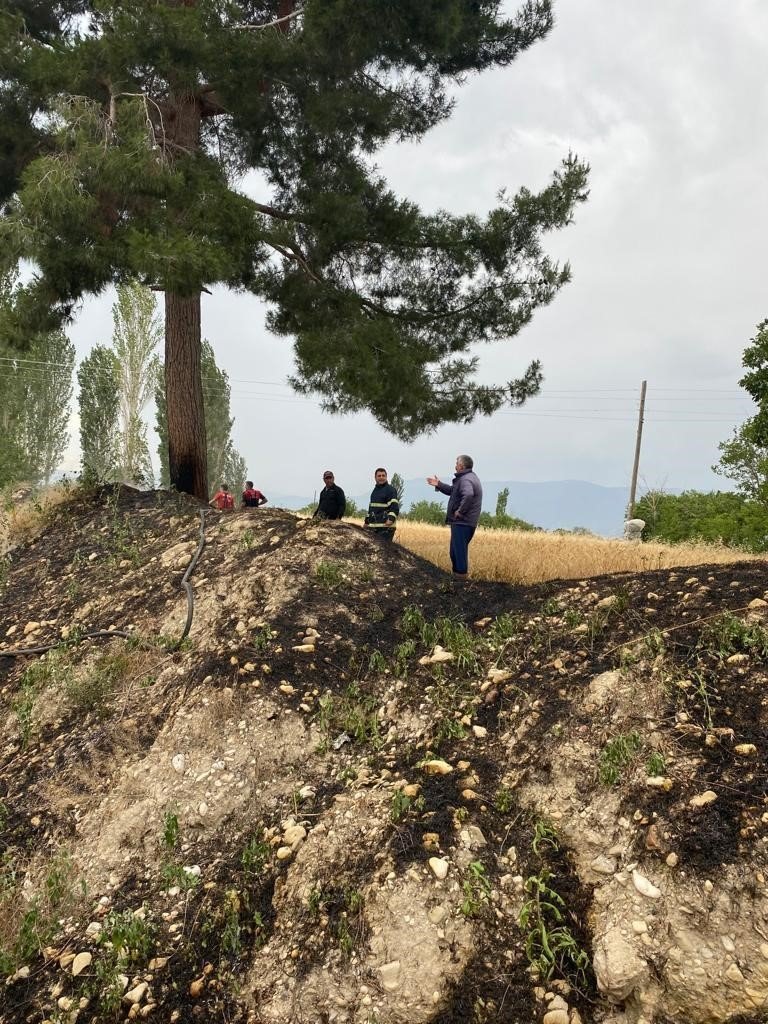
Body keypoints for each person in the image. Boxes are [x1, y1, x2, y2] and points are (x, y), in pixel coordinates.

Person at [427, 455, 482, 581]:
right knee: (455, 552)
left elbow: (468, 495)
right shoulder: (468, 478)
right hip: (464, 523)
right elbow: (453, 491)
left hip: (463, 522)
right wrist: (439, 484)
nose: (455, 465)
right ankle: (456, 579)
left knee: (459, 554)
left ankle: (461, 583)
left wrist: (460, 512)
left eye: (456, 463)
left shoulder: (465, 480)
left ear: (461, 466)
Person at [364, 467, 399, 542]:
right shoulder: (374, 491)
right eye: (379, 476)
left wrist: (391, 519)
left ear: (386, 477)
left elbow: (394, 506)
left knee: (384, 551)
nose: (381, 477)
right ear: (375, 478)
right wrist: (366, 522)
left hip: (386, 528)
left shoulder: (390, 490)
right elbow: (371, 509)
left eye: (383, 475)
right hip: (374, 528)